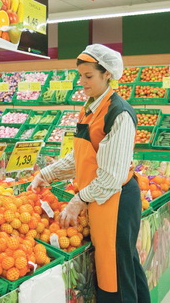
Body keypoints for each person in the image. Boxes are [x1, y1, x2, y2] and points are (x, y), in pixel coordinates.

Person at [28, 44, 151, 303]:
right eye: (80, 75)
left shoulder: (118, 113)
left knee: (114, 271)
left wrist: (78, 199)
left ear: (107, 74)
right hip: (101, 198)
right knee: (123, 263)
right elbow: (81, 155)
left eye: (88, 76)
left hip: (116, 200)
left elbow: (112, 176)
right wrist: (46, 174)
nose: (81, 82)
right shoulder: (91, 107)